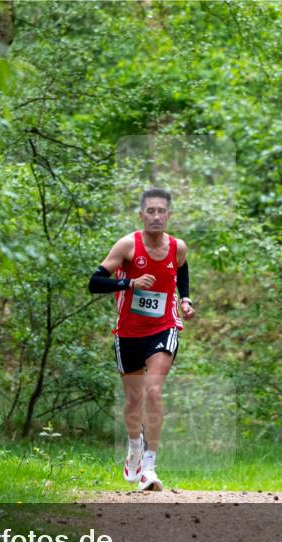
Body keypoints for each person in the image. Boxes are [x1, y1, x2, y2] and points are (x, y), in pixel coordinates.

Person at [88, 188, 195, 491]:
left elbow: (181, 269)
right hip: (128, 333)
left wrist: (184, 299)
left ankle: (149, 467)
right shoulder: (127, 246)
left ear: (169, 215)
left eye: (162, 211)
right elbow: (94, 283)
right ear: (141, 215)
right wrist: (129, 282)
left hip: (164, 327)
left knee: (153, 391)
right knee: (134, 399)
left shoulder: (178, 247)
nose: (157, 216)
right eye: (151, 211)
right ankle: (134, 448)